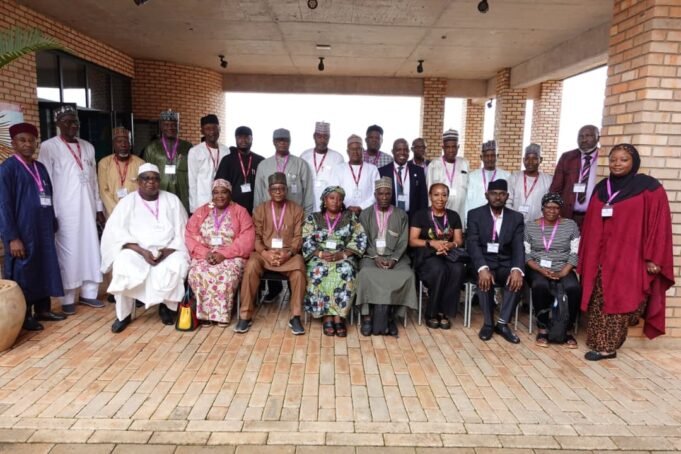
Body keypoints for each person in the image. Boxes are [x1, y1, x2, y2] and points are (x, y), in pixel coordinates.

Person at [578, 144, 674, 361]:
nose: (617, 164)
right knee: (598, 298)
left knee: (618, 298)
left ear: (634, 162)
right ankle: (597, 342)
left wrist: (654, 258)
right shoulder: (602, 188)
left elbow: (658, 225)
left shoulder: (649, 188)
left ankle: (608, 347)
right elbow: (590, 224)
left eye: (623, 160)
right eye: (613, 159)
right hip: (599, 256)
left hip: (630, 257)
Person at [100, 163, 190, 333]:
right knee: (122, 263)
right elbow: (115, 233)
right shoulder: (127, 202)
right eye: (146, 178)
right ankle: (124, 315)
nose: (151, 182)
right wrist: (142, 252)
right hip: (137, 251)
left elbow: (182, 232)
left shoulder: (172, 200)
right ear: (138, 182)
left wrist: (165, 252)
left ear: (159, 181)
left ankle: (166, 308)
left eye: (155, 179)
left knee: (179, 263)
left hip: (168, 250)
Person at [38, 106, 105, 314]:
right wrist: (49, 212)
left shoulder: (88, 147)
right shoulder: (48, 147)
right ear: (58, 123)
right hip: (64, 210)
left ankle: (89, 293)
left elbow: (94, 180)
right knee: (67, 252)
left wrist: (98, 207)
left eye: (75, 121)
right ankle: (67, 297)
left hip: (88, 208)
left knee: (90, 248)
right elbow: (44, 182)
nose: (72, 125)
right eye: (67, 121)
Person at [0, 123, 65, 330]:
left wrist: (52, 220)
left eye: (31, 140)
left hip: (43, 229)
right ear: (14, 143)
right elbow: (3, 206)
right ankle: (24, 314)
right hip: (22, 231)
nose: (27, 144)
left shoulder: (40, 167)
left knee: (44, 266)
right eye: (22, 140)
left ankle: (43, 310)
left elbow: (49, 196)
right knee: (24, 271)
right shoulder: (7, 169)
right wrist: (12, 237)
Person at [235, 173, 307, 335]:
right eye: (274, 189)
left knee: (299, 267)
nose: (278, 192)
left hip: (288, 254)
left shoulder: (297, 210)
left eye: (282, 188)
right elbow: (255, 237)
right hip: (264, 254)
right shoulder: (260, 210)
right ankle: (245, 316)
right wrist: (265, 253)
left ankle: (295, 316)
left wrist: (289, 253)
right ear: (269, 191)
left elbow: (298, 237)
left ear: (286, 190)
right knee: (251, 265)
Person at [186, 179, 254, 326]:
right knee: (196, 272)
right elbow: (190, 234)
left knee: (226, 274)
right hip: (206, 255)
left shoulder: (240, 211)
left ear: (230, 194)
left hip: (232, 256)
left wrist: (224, 254)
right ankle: (204, 315)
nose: (220, 196)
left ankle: (221, 315)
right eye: (216, 193)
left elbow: (247, 239)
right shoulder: (202, 211)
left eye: (224, 192)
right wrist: (205, 253)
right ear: (212, 195)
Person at [303, 186, 367, 337]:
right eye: (332, 198)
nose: (335, 201)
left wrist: (343, 254)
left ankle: (339, 317)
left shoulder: (350, 217)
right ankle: (326, 316)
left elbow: (360, 238)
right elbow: (305, 239)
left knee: (346, 271)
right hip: (319, 256)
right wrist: (319, 253)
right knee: (318, 271)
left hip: (342, 256)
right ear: (324, 200)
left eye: (339, 199)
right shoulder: (313, 218)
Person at [467, 179, 525, 343]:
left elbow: (518, 246)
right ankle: (488, 323)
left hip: (505, 263)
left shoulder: (516, 217)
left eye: (501, 194)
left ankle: (502, 323)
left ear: (507, 196)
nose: (497, 197)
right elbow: (472, 244)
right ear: (487, 195)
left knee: (516, 280)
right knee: (484, 280)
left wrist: (517, 269)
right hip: (483, 261)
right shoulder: (475, 214)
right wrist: (482, 268)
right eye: (493, 194)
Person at [356, 177, 416, 337]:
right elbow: (363, 240)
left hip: (396, 257)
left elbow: (403, 241)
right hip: (370, 256)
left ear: (392, 195)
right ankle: (367, 316)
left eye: (387, 194)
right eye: (381, 194)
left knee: (407, 275)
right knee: (365, 274)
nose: (384, 197)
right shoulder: (365, 214)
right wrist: (375, 256)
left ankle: (392, 316)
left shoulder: (401, 214)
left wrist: (394, 259)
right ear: (375, 194)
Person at [524, 193, 581, 348]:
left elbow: (575, 252)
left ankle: (567, 329)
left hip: (563, 267)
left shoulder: (570, 225)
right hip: (537, 268)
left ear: (560, 209)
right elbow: (527, 255)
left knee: (573, 288)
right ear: (542, 208)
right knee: (540, 286)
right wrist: (540, 270)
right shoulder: (530, 226)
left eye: (556, 207)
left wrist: (564, 271)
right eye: (548, 207)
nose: (552, 211)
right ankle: (542, 328)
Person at [409, 183, 465, 330]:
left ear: (447, 197)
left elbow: (459, 240)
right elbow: (412, 240)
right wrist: (432, 243)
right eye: (436, 194)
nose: (440, 198)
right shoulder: (420, 215)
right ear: (430, 196)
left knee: (458, 269)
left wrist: (451, 245)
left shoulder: (453, 216)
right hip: (427, 254)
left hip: (448, 253)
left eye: (444, 195)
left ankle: (444, 312)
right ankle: (431, 312)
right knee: (439, 270)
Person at [254, 128, 315, 215]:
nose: (282, 143)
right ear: (274, 142)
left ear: (290, 142)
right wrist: (258, 215)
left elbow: (308, 194)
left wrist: (306, 217)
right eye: (279, 140)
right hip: (269, 216)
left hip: (295, 216)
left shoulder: (301, 164)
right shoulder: (263, 165)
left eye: (285, 140)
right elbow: (258, 194)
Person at [142, 109, 193, 213]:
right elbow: (146, 174)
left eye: (174, 125)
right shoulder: (151, 148)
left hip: (182, 193)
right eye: (166, 125)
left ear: (178, 126)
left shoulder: (187, 147)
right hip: (160, 191)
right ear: (161, 126)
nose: (170, 127)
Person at [549, 125, 600, 228]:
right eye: (581, 136)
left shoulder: (605, 158)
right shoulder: (567, 157)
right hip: (568, 215)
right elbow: (556, 188)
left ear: (598, 138)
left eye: (588, 136)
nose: (584, 140)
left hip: (593, 217)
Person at [214, 126, 264, 214]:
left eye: (247, 137)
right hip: (232, 209)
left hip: (256, 208)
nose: (243, 140)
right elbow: (220, 185)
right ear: (236, 139)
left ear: (252, 139)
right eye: (240, 137)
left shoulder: (260, 161)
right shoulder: (227, 160)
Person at [98, 127, 145, 218]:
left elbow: (143, 189)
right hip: (112, 213)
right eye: (119, 141)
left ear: (130, 144)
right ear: (113, 144)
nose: (123, 144)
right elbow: (103, 190)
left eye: (126, 141)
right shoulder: (104, 163)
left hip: (134, 211)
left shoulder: (140, 163)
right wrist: (117, 210)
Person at [187, 114, 230, 213]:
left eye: (215, 128)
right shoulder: (195, 151)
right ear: (202, 131)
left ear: (219, 129)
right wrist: (194, 209)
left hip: (223, 200)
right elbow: (192, 181)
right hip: (203, 201)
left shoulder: (226, 150)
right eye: (208, 129)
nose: (212, 132)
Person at [330, 134, 380, 216]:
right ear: (347, 152)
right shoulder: (339, 169)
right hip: (344, 212)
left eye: (358, 149)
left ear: (363, 150)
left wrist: (361, 207)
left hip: (367, 213)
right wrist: (346, 206)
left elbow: (377, 192)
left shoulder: (372, 169)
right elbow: (334, 191)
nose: (355, 152)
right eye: (352, 149)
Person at [300, 121, 345, 212]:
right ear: (314, 136)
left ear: (329, 138)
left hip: (329, 203)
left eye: (325, 137)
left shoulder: (337, 157)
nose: (322, 140)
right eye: (319, 137)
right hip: (308, 200)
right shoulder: (305, 155)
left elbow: (339, 183)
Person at [378, 138, 428, 218]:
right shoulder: (383, 172)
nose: (402, 153)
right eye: (399, 150)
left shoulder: (419, 171)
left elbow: (423, 198)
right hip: (390, 217)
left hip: (413, 218)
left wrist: (422, 218)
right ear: (392, 151)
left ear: (409, 152)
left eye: (405, 150)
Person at [465, 140, 511, 226]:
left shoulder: (506, 176)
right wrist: (466, 220)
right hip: (477, 219)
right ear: (481, 157)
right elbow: (467, 201)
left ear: (497, 156)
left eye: (492, 155)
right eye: (486, 156)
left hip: (499, 220)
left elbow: (508, 201)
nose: (490, 159)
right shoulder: (472, 176)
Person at [426, 129, 469, 218]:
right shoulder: (434, 165)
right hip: (439, 213)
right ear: (443, 147)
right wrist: (431, 216)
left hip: (460, 211)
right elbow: (429, 191)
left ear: (458, 147)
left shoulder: (464, 163)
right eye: (447, 147)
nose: (451, 150)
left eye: (454, 147)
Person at [508, 143, 552, 223]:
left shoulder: (548, 180)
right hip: (515, 223)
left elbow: (550, 203)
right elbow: (507, 200)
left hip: (538, 224)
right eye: (527, 158)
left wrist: (541, 219)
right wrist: (514, 218)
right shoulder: (514, 178)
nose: (530, 162)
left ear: (540, 160)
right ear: (523, 160)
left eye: (534, 158)